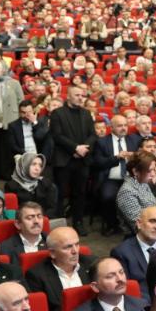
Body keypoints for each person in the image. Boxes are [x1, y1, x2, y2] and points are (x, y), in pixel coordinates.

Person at [51, 81, 97, 236]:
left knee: (80, 193)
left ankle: (78, 222)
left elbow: (93, 135)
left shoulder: (86, 114)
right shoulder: (57, 113)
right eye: (77, 95)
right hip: (64, 159)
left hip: (82, 160)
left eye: (82, 96)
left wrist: (84, 149)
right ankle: (59, 223)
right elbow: (57, 136)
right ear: (68, 96)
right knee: (61, 193)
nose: (80, 98)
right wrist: (75, 148)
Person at [25, 226, 94, 311]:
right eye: (68, 247)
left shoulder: (92, 264)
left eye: (77, 244)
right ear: (52, 253)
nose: (75, 251)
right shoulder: (37, 276)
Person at [112, 206, 156, 295]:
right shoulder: (121, 252)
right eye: (152, 221)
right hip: (142, 305)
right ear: (139, 224)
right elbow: (126, 290)